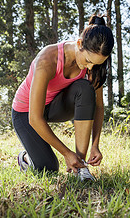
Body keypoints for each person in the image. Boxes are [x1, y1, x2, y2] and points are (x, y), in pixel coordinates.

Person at [12, 15, 114, 181]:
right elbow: (35, 118)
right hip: (26, 112)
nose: (90, 67)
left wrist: (95, 145)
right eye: (88, 61)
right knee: (48, 168)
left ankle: (80, 167)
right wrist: (66, 153)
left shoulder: (93, 65)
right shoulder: (48, 59)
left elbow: (99, 106)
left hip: (55, 105)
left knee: (85, 88)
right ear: (79, 44)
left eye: (96, 64)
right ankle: (26, 157)